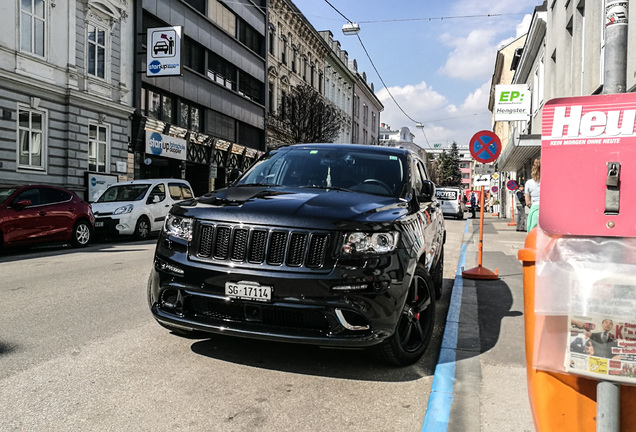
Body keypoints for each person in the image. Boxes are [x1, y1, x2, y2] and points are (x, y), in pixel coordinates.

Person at [525, 158, 541, 232]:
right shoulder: (550, 181)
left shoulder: (529, 183)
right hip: (548, 209)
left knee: (532, 231)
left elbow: (528, 202)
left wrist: (530, 205)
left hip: (535, 208)